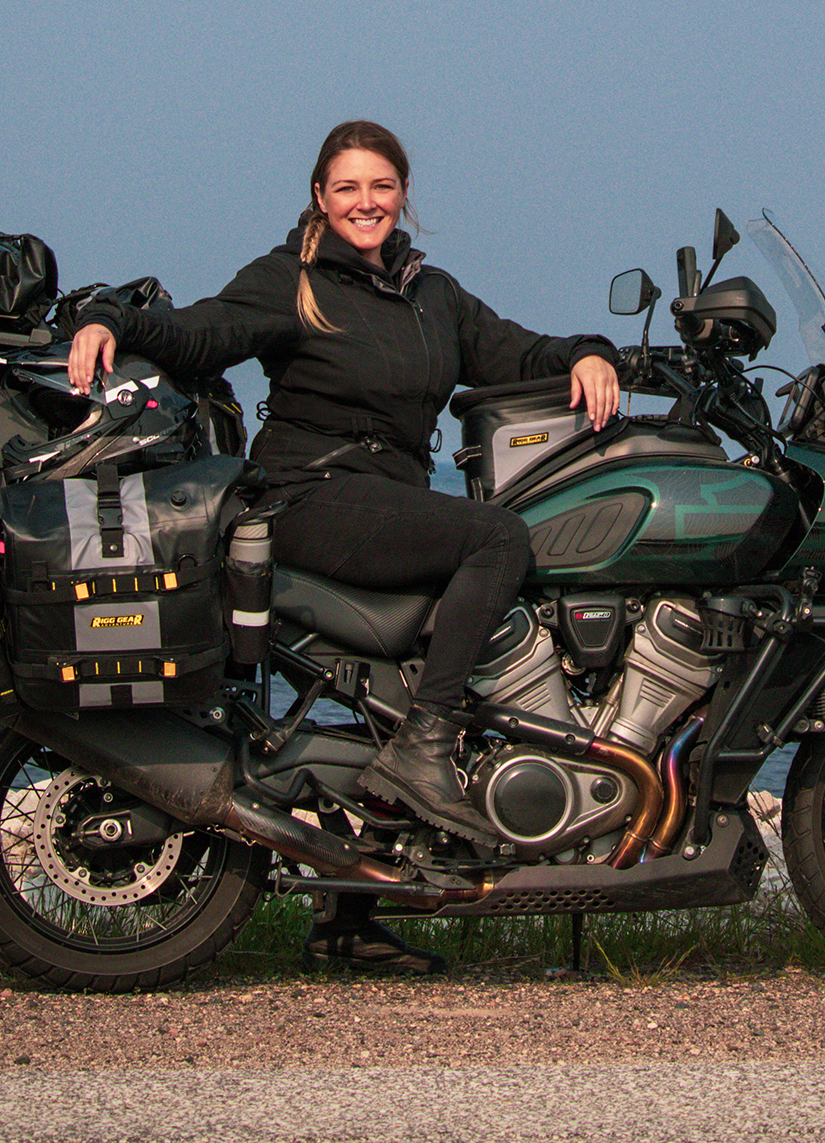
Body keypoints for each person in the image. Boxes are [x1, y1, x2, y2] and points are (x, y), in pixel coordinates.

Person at [68, 120, 618, 973]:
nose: (367, 202)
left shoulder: (432, 295)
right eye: (348, 188)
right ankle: (426, 749)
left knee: (394, 683)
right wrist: (111, 320)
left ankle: (349, 914)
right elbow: (199, 333)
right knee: (497, 538)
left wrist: (589, 352)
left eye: (382, 187)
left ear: (404, 197)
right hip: (307, 497)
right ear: (321, 197)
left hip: (388, 503)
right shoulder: (288, 280)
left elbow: (513, 349)